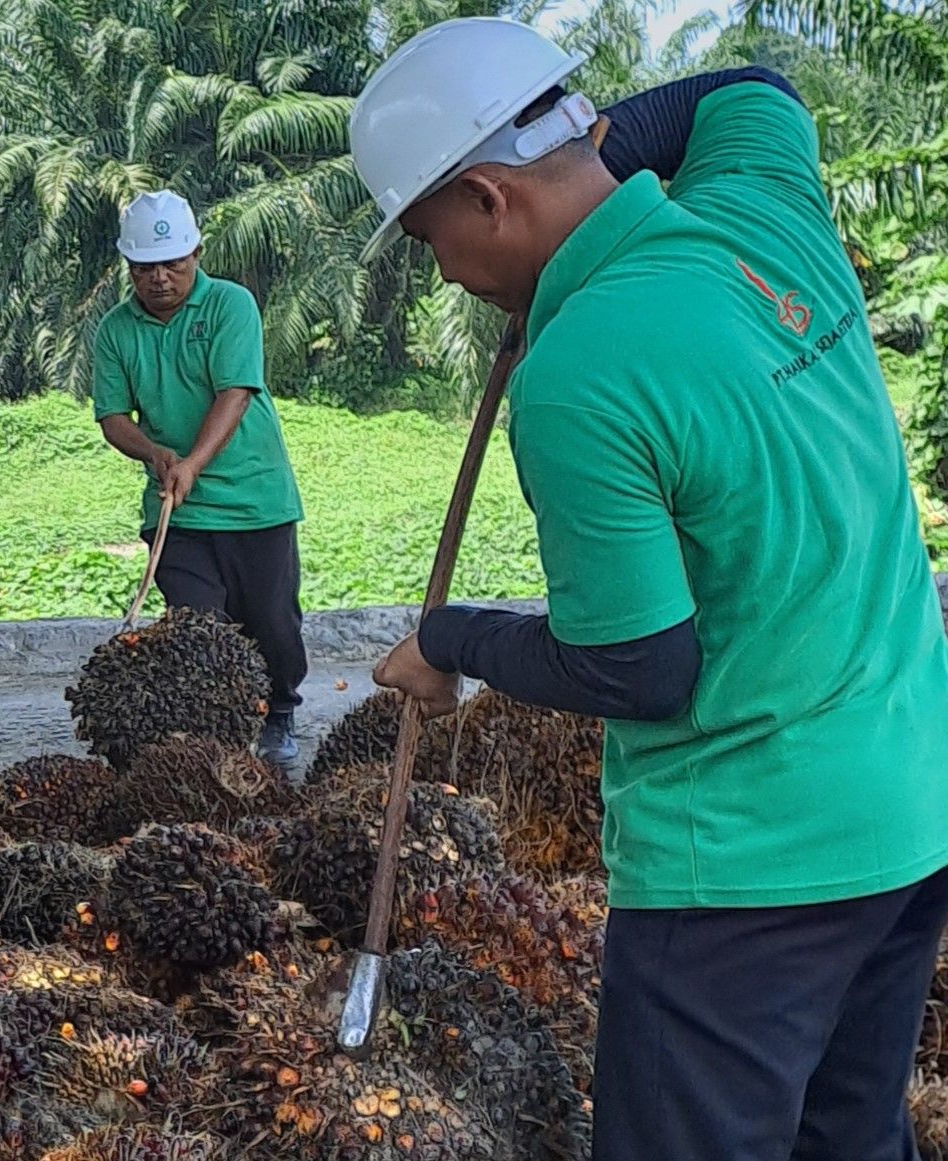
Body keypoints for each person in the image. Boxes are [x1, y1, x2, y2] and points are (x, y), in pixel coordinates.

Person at [352, 19, 948, 1160]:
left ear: (488, 197)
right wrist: (586, 150)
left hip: (745, 873)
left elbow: (639, 667)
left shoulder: (578, 376)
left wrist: (450, 638)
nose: (442, 273)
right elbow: (748, 89)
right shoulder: (763, 211)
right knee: (851, 1138)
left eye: (431, 239)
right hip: (909, 810)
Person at [91, 189, 309, 763]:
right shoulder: (116, 330)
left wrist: (193, 462)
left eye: (173, 263)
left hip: (254, 498)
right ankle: (217, 739)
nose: (159, 277)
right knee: (196, 632)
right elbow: (113, 416)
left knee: (272, 624)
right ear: (128, 268)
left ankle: (280, 715)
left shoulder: (231, 306)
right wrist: (155, 454)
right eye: (144, 268)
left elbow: (234, 392)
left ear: (196, 254)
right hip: (176, 511)